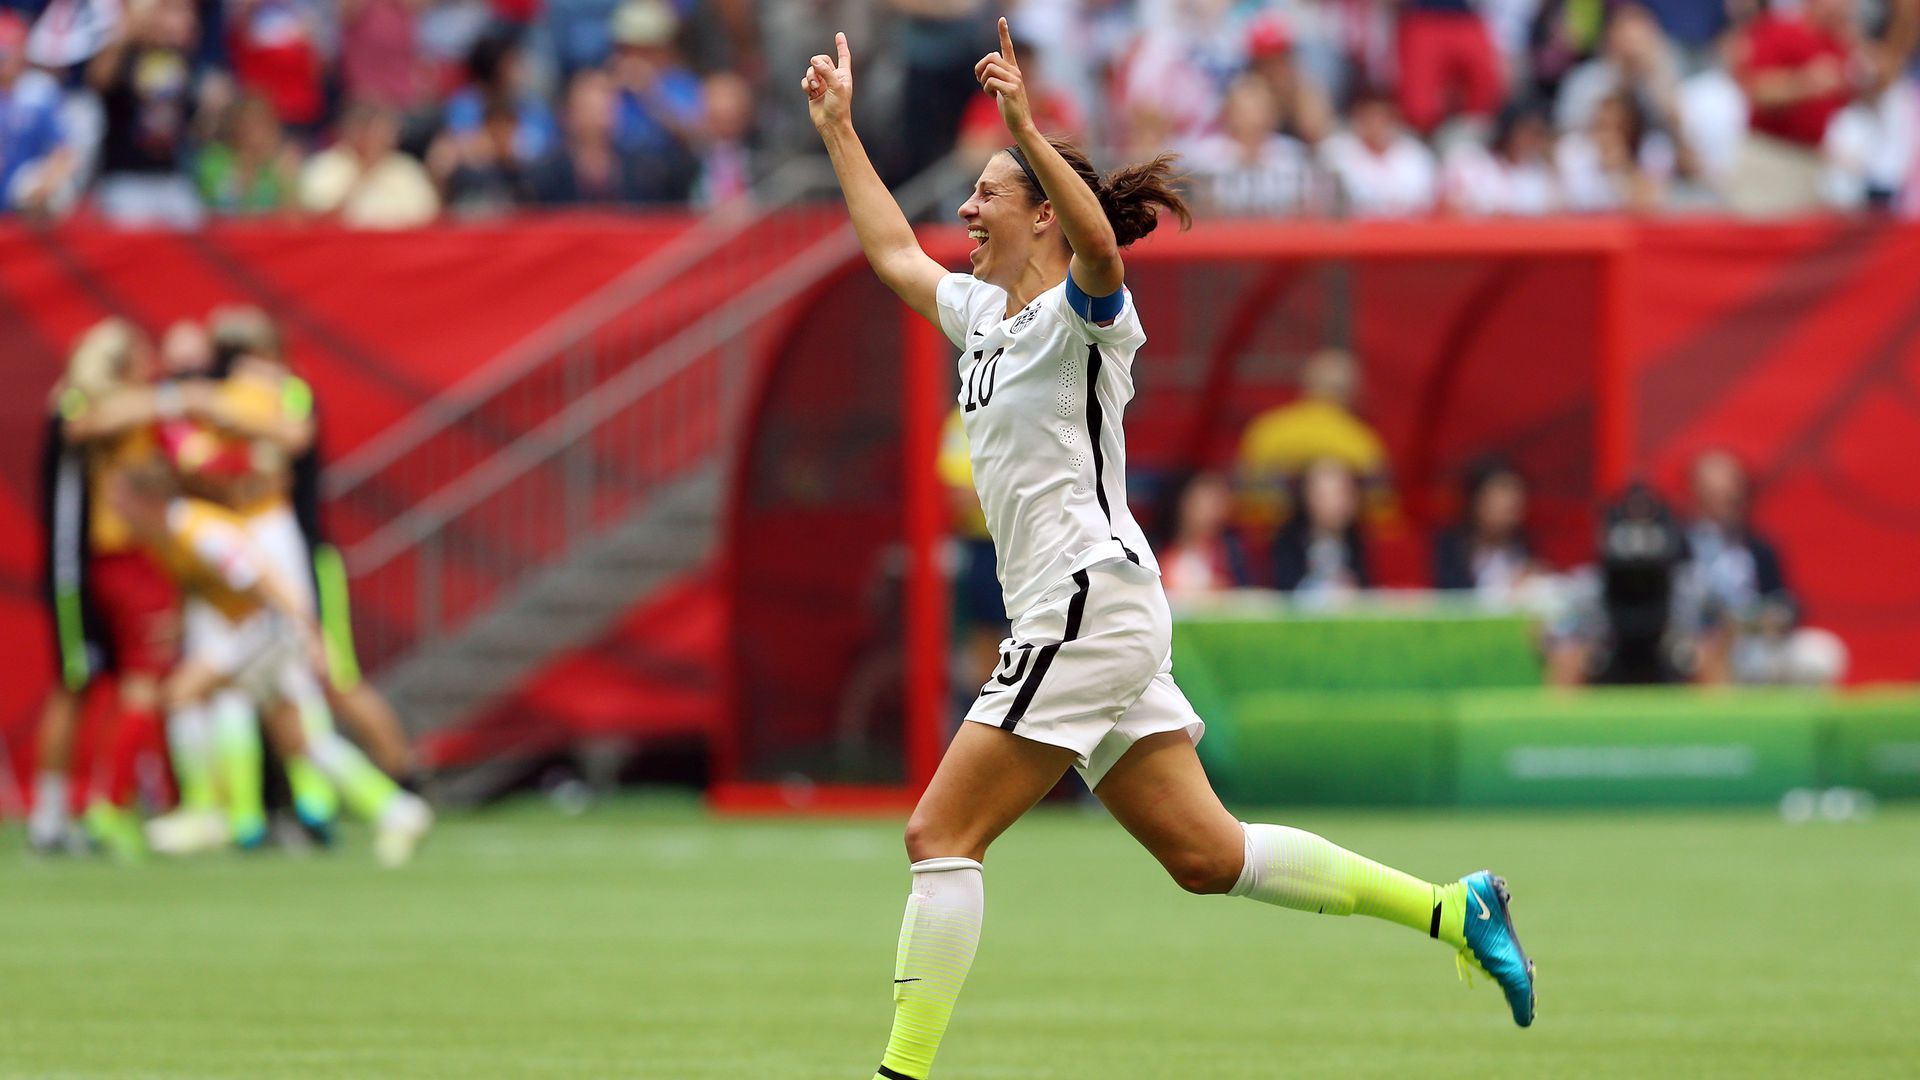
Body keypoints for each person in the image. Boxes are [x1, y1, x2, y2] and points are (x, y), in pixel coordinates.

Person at [801, 21, 1536, 1080]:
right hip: (1097, 607)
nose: (965, 210)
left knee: (938, 837)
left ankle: (899, 1075)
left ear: (1041, 212)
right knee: (1208, 856)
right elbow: (886, 251)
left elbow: (1101, 249)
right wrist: (837, 131)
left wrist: (1028, 126)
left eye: (988, 194)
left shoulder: (1085, 316)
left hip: (1082, 601)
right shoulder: (981, 319)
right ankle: (1455, 911)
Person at [112, 462, 433, 866]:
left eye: (120, 499)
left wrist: (311, 634)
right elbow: (200, 585)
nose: (114, 508)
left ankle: (206, 810)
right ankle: (397, 811)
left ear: (147, 501)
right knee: (298, 740)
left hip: (268, 627)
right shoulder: (165, 537)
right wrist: (177, 624)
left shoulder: (198, 530)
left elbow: (264, 579)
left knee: (183, 694)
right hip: (255, 630)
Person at [26, 319, 181, 859]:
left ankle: (104, 804)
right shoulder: (74, 403)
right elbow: (87, 423)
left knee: (112, 685)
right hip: (75, 568)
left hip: (108, 565)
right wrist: (180, 396)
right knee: (74, 684)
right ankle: (53, 819)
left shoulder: (132, 414)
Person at [1432, 458, 1536, 596]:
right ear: (1475, 501)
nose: (1511, 504)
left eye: (1514, 504)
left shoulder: (1526, 547)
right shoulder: (1450, 547)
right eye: (1499, 497)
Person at [1272, 457, 1371, 597]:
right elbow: (1284, 593)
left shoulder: (1357, 538)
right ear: (1306, 496)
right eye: (1324, 496)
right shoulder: (1289, 540)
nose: (1336, 504)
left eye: (1343, 494)